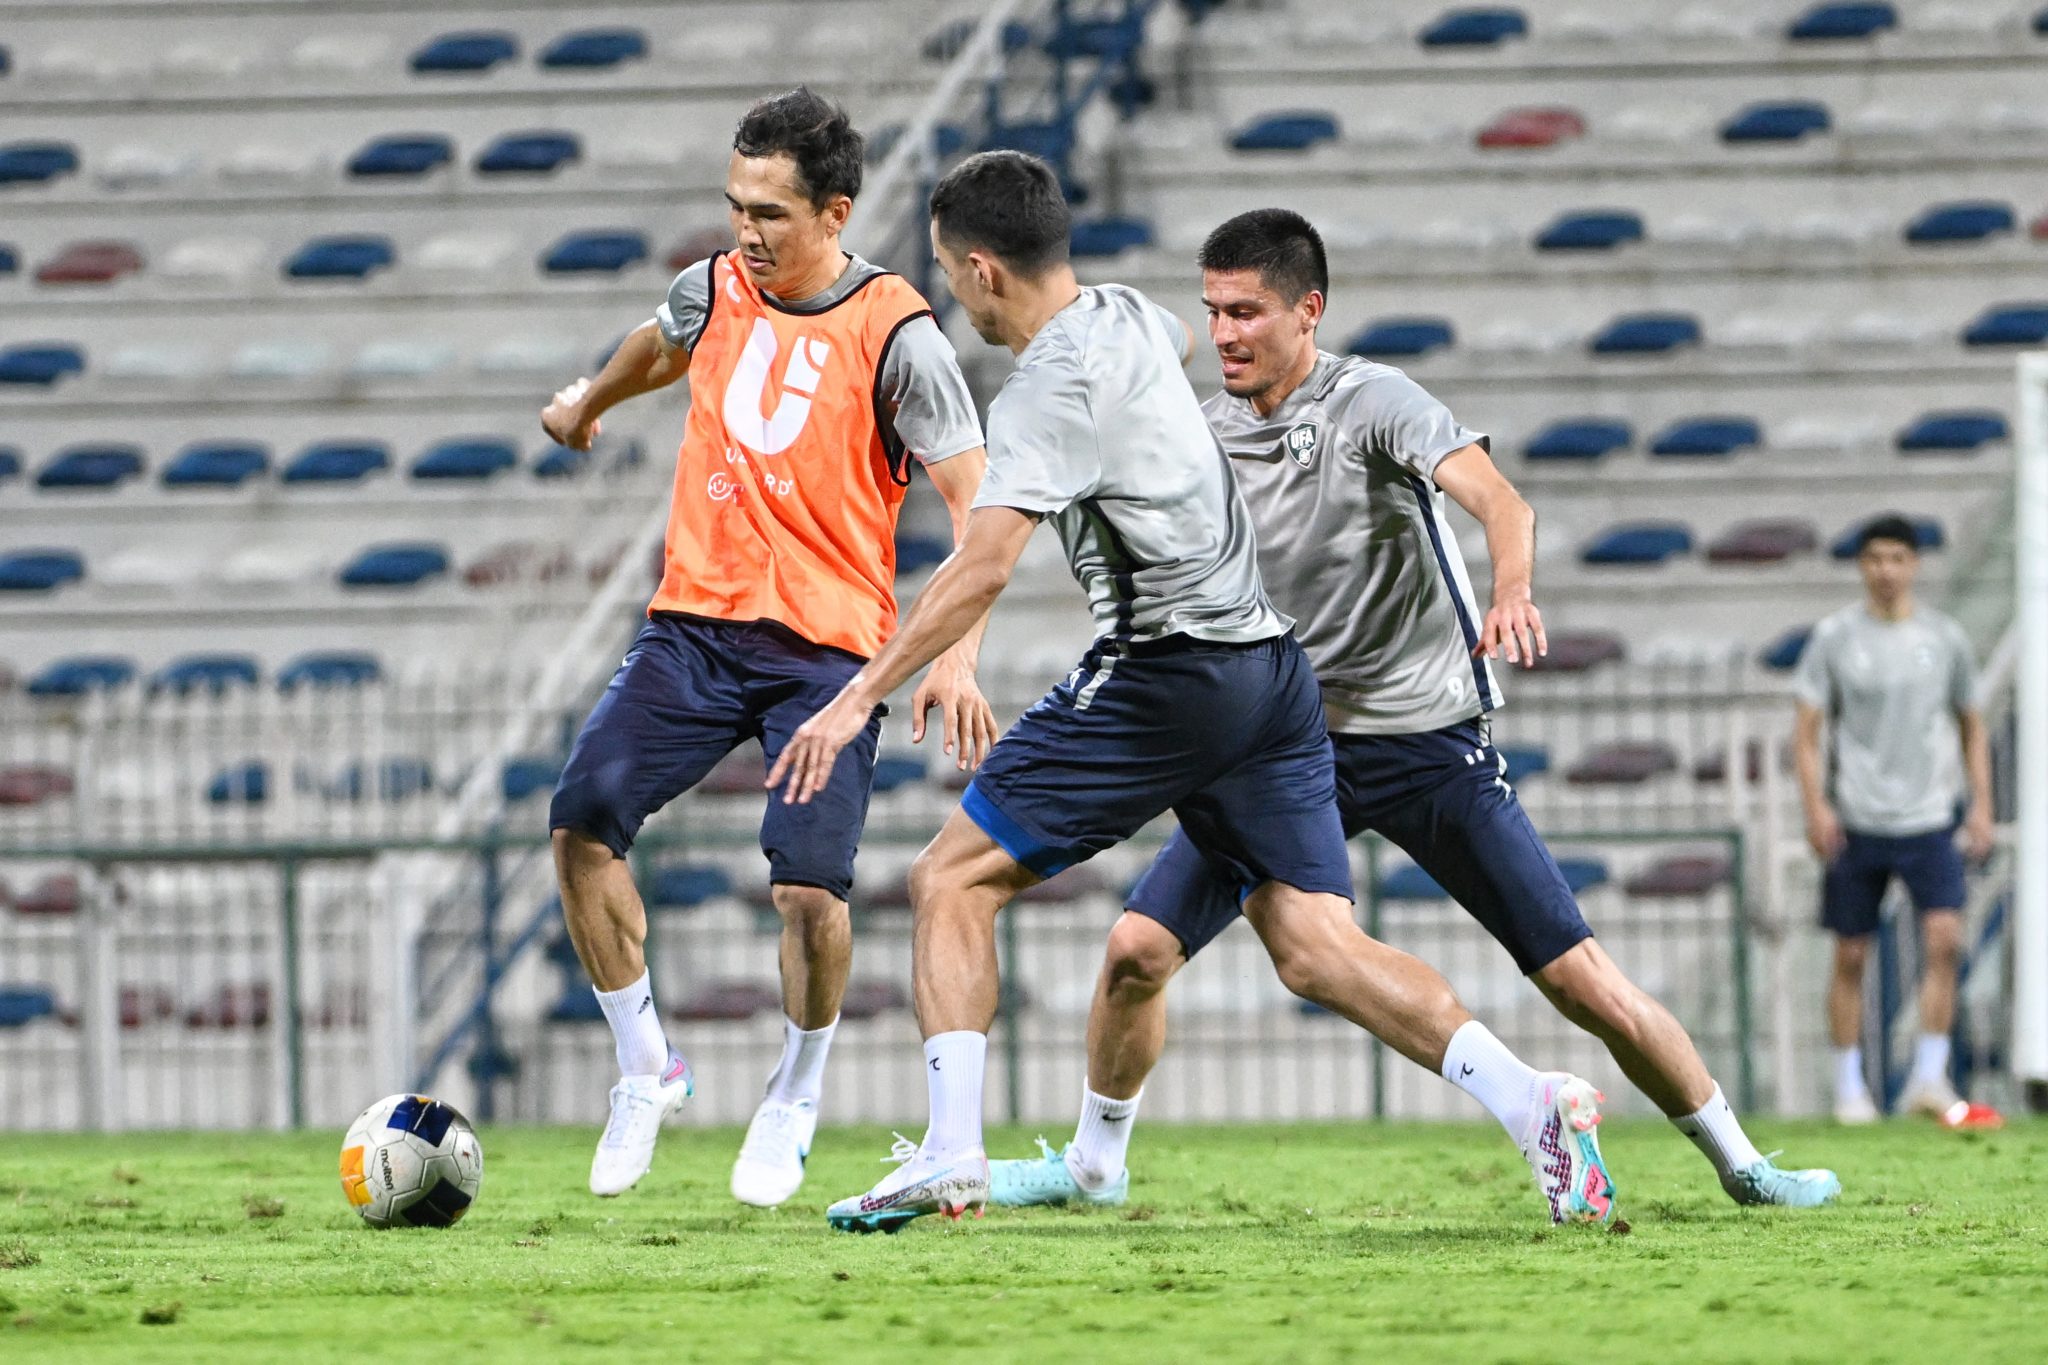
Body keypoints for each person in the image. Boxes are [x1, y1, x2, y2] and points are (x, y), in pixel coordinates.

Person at [767, 153, 1615, 1234]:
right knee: (1313, 947)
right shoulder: (1130, 314)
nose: (947, 293)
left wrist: (856, 699)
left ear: (981, 271)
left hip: (1167, 671)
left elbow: (981, 567)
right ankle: (1530, 1100)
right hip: (1272, 671)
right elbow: (1172, 345)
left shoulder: (1041, 394)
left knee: (949, 879)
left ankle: (949, 1152)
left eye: (945, 270)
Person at [987, 208, 1839, 1215]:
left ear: (1308, 310)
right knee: (1135, 952)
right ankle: (1093, 1166)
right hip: (1284, 748)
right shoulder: (1200, 435)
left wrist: (1512, 590)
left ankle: (1744, 1163)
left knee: (1579, 981)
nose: (1222, 334)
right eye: (1211, 311)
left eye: (1246, 312)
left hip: (1426, 742)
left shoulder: (1375, 402)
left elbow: (1501, 501)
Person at [539, 88, 998, 1206]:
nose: (745, 231)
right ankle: (646, 1068)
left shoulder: (897, 333)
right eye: (736, 206)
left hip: (828, 656)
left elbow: (979, 501)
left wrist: (955, 653)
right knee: (579, 824)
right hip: (693, 626)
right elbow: (663, 343)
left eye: (770, 213)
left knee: (807, 892)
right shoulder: (713, 286)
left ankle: (796, 1088)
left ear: (835, 212)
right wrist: (591, 403)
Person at [1793, 515, 2001, 1129]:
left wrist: (1982, 804)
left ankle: (1929, 1077)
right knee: (1850, 954)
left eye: (1897, 558)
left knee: (1946, 940)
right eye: (1875, 558)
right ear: (1862, 565)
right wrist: (1816, 806)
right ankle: (1848, 1087)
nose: (1886, 570)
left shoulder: (1944, 638)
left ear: (1914, 565)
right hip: (1858, 818)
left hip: (1929, 817)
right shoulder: (1834, 638)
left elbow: (1972, 724)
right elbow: (1806, 731)